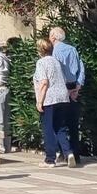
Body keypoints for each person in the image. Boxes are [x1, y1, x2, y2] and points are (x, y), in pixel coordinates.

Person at [32, 39, 75, 167]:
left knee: (48, 128)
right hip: (63, 97)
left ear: (40, 50)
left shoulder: (41, 63)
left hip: (49, 98)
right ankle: (68, 152)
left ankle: (50, 159)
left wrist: (39, 101)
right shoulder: (57, 61)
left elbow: (44, 82)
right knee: (60, 127)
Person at [48, 27, 85, 158]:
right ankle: (76, 154)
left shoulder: (53, 53)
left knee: (59, 123)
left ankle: (64, 152)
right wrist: (77, 88)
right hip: (74, 86)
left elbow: (55, 73)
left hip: (61, 87)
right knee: (73, 123)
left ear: (53, 37)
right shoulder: (72, 49)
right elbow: (81, 69)